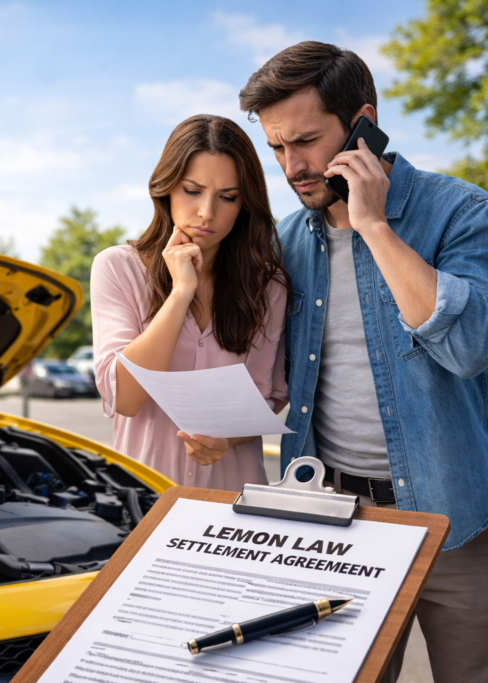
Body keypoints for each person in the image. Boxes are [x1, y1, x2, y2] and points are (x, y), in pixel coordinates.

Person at [240, 41, 488, 682]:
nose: (292, 167)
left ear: (363, 125)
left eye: (306, 141)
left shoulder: (462, 212)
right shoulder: (287, 239)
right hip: (335, 519)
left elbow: (468, 350)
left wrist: (374, 225)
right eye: (276, 147)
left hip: (455, 519)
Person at [91, 114, 288, 491]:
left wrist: (226, 439)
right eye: (192, 191)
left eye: (227, 197)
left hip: (234, 498)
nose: (207, 213)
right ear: (166, 187)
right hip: (145, 497)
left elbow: (265, 397)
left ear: (244, 204)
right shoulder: (117, 268)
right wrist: (181, 292)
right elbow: (125, 398)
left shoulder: (267, 286)